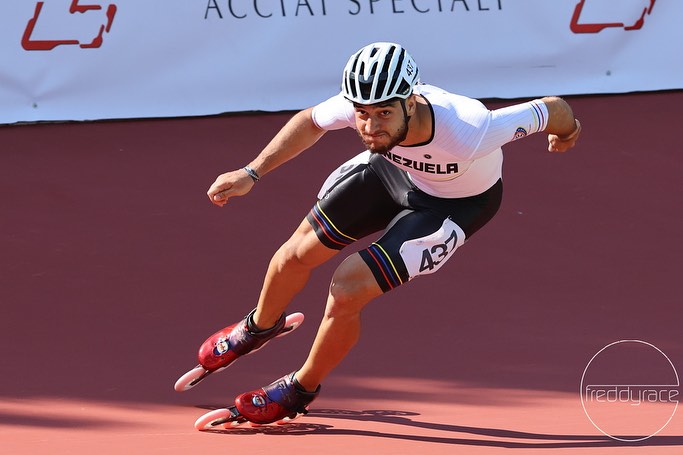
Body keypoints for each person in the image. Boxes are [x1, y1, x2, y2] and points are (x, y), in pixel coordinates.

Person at [201, 42, 581, 424]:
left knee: (347, 288)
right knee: (296, 252)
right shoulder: (362, 105)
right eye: (362, 114)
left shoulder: (471, 128)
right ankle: (258, 327)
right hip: (393, 173)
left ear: (410, 102)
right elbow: (311, 121)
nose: (371, 126)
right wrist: (251, 172)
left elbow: (553, 109)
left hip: (454, 205)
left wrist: (568, 132)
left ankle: (300, 388)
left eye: (384, 113)